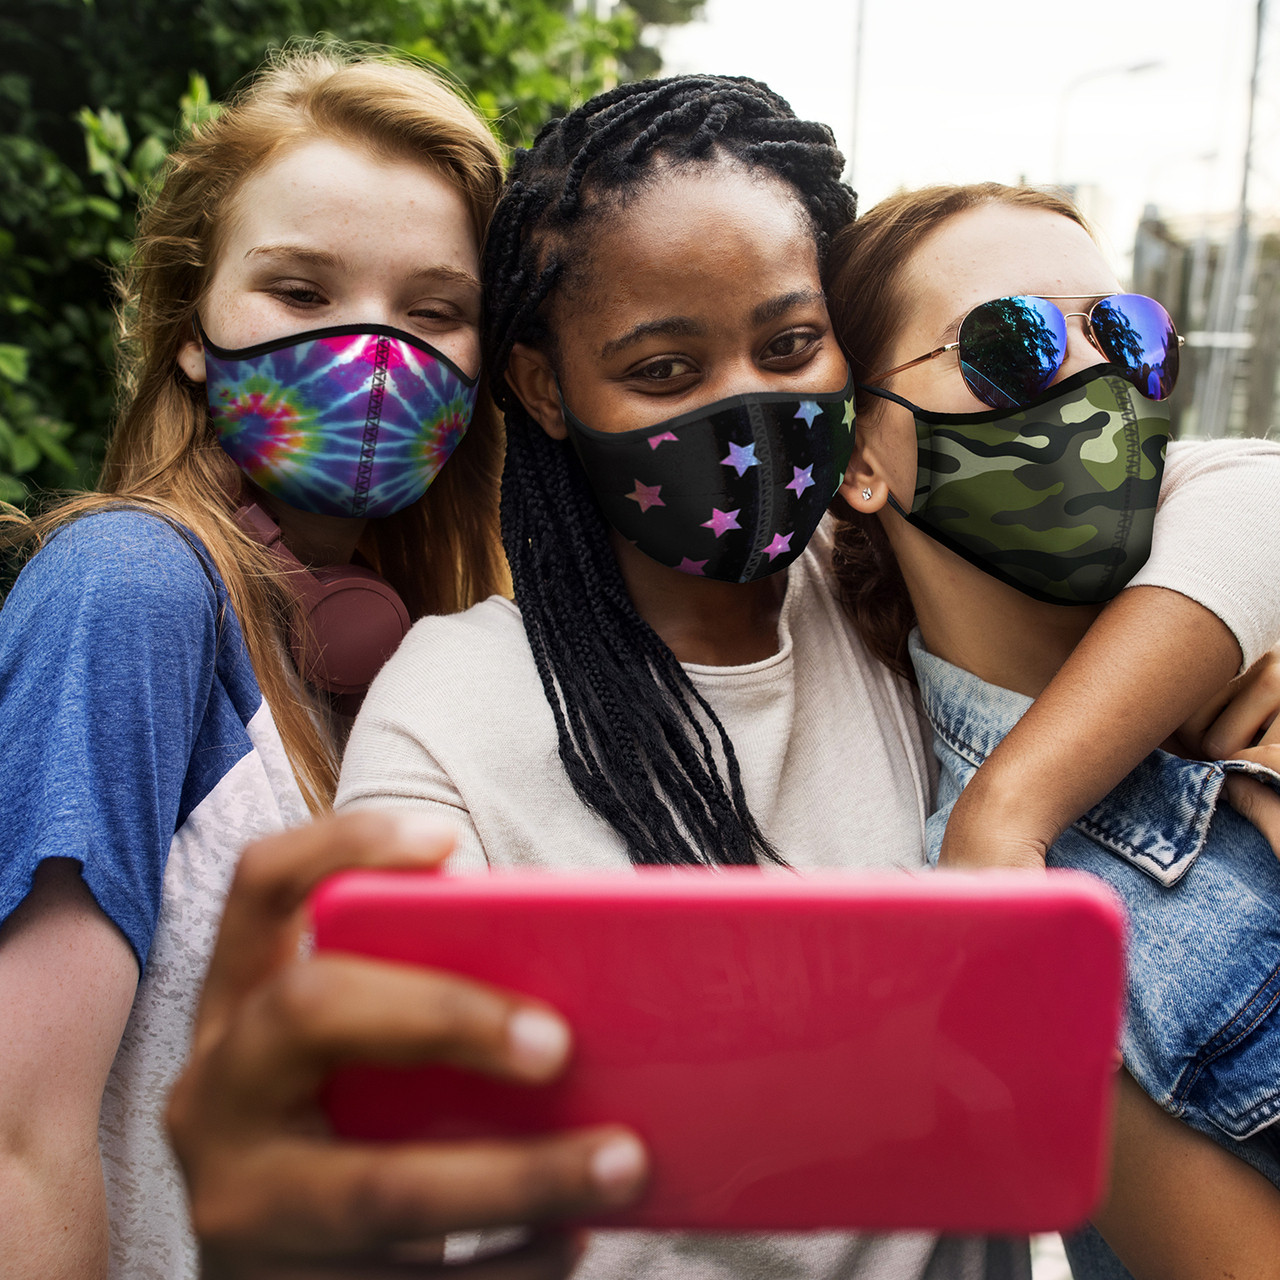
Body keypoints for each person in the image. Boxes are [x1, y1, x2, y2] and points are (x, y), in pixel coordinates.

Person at [337, 75, 1280, 1280]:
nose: (751, 405)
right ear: (543, 388)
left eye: (788, 346)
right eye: (664, 372)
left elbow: (1242, 492)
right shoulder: (462, 702)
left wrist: (1021, 797)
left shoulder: (877, 595)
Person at [0, 45, 523, 1279]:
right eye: (301, 291)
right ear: (193, 330)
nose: (372, 353)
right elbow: (20, 1135)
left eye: (433, 310)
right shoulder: (129, 590)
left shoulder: (424, 651)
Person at [825, 181, 1280, 1279]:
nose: (1093, 373)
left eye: (1122, 330)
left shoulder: (1230, 646)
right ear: (859, 458)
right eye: (1010, 338)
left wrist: (1015, 797)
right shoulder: (1025, 921)